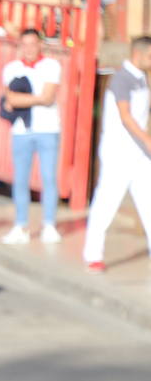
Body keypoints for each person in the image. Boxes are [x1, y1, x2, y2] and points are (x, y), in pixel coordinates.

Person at [82, 36, 151, 273]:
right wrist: (147, 139)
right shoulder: (122, 79)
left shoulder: (142, 78)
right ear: (138, 54)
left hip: (139, 154)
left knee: (148, 203)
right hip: (118, 153)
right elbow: (126, 116)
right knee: (106, 203)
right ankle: (93, 255)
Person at [0, 28, 63, 244]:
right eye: (24, 44)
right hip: (21, 129)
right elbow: (10, 100)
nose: (28, 49)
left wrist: (24, 98)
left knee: (48, 178)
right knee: (20, 180)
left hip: (47, 128)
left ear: (40, 45)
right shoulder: (11, 69)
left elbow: (48, 97)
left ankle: (49, 224)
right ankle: (21, 225)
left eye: (32, 44)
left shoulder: (51, 66)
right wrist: (36, 98)